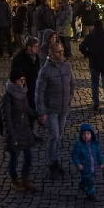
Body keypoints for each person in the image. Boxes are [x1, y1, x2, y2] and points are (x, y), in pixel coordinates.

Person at [36, 42, 73, 176]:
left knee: (60, 136)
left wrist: (69, 99)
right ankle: (52, 162)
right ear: (50, 53)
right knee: (54, 136)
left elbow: (72, 85)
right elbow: (39, 92)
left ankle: (55, 160)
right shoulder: (45, 71)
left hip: (63, 108)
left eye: (61, 51)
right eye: (57, 52)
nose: (60, 53)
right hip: (51, 109)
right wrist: (41, 111)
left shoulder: (67, 67)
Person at [0, 68, 36, 192]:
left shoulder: (22, 92)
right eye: (20, 80)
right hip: (14, 132)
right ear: (14, 81)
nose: (22, 82)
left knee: (29, 155)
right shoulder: (7, 98)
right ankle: (14, 180)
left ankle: (25, 179)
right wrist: (12, 137)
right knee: (14, 157)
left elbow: (26, 109)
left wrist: (37, 115)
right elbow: (6, 120)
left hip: (24, 130)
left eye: (23, 80)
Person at [79, 20, 104, 110]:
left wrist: (87, 54)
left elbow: (81, 47)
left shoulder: (90, 37)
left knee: (95, 83)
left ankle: (96, 102)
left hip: (94, 63)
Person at [71, 123, 104, 201]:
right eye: (84, 134)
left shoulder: (95, 145)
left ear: (91, 134)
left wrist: (101, 163)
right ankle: (91, 194)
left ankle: (82, 184)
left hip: (93, 167)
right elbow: (75, 156)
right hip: (84, 167)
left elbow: (99, 154)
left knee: (86, 178)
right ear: (81, 135)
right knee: (90, 181)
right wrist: (78, 164)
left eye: (88, 133)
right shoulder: (79, 145)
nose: (86, 136)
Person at [11, 37, 41, 121]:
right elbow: (14, 74)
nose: (37, 48)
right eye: (35, 46)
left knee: (32, 109)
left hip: (33, 87)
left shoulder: (36, 57)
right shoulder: (18, 59)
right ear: (29, 47)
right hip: (23, 88)